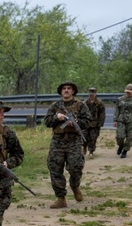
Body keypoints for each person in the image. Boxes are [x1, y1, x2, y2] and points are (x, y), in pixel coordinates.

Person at [44, 81, 91, 209]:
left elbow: (87, 122)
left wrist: (76, 122)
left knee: (76, 167)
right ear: (61, 91)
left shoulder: (80, 105)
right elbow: (47, 122)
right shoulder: (55, 106)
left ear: (73, 91)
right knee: (55, 168)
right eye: (64, 88)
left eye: (69, 88)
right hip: (57, 141)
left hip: (74, 141)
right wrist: (57, 118)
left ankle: (75, 186)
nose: (66, 90)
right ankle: (61, 198)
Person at [83, 87, 106, 157]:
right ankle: (84, 147)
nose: (91, 96)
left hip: (95, 124)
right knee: (84, 137)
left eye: (93, 94)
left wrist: (100, 123)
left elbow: (102, 114)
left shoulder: (99, 103)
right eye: (90, 94)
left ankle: (91, 151)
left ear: (95, 94)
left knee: (93, 138)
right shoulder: (85, 103)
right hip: (86, 123)